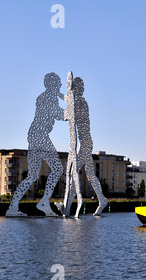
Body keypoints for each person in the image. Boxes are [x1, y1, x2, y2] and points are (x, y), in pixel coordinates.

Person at [6, 73, 65, 217]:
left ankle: (13, 208)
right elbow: (61, 115)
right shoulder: (49, 97)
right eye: (58, 84)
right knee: (57, 169)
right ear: (52, 85)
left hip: (34, 136)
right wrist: (68, 101)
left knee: (32, 175)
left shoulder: (43, 96)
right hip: (40, 137)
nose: (60, 86)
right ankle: (44, 202)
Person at [56, 74, 107, 217]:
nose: (71, 91)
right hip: (86, 143)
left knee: (73, 176)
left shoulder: (80, 103)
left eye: (73, 89)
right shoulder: (80, 101)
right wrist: (59, 93)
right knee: (90, 175)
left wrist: (58, 99)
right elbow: (68, 101)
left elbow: (68, 113)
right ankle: (102, 200)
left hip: (84, 144)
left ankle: (66, 209)